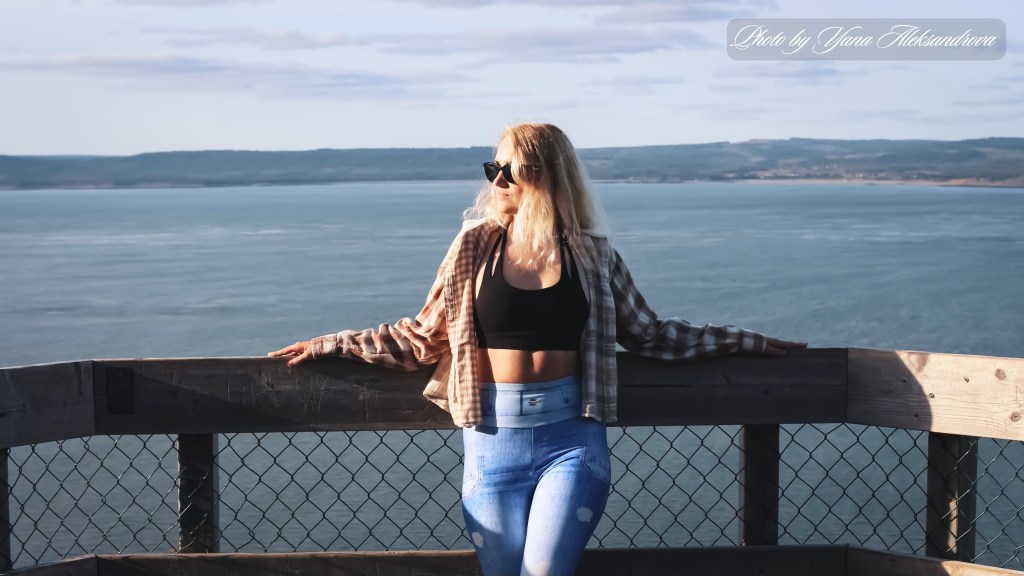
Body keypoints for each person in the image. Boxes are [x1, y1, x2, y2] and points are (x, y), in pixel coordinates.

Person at [269, 122, 806, 576]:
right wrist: (331, 343)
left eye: (511, 170)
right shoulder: (474, 247)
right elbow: (421, 336)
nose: (498, 181)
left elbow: (649, 333)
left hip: (572, 442)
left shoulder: (591, 256)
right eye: (492, 169)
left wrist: (747, 341)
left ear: (546, 177)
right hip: (491, 443)